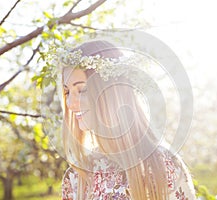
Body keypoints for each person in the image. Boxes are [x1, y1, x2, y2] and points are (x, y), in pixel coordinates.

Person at [56, 40, 196, 199]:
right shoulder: (76, 177)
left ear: (111, 92)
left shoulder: (162, 166)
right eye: (67, 92)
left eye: (82, 90)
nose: (70, 103)